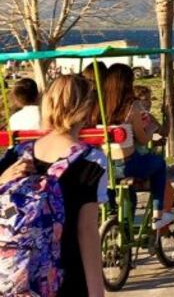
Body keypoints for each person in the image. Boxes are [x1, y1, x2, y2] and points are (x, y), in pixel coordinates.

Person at [0, 74, 108, 297]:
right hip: (64, 282)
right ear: (88, 109)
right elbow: (87, 231)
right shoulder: (92, 161)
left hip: (13, 281)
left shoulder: (16, 154)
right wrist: (97, 291)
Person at [95, 64, 172, 230]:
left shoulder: (98, 106)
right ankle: (158, 214)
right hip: (127, 164)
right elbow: (143, 140)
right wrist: (151, 131)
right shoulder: (132, 107)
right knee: (159, 164)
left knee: (111, 184)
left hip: (104, 166)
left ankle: (111, 212)